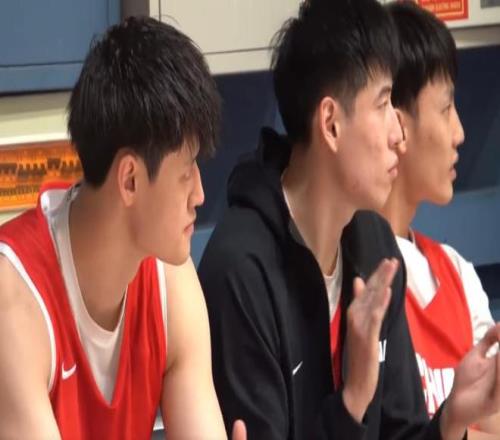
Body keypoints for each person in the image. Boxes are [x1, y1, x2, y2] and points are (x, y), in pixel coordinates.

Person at [198, 0, 500, 439]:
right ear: (331, 124)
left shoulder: (374, 244)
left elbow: (402, 433)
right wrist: (353, 400)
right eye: (383, 104)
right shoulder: (241, 273)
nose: (398, 135)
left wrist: (451, 418)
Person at [0, 16, 245, 440]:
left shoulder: (173, 283)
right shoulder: (15, 300)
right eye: (186, 171)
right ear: (130, 179)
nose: (200, 194)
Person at [380, 2, 500, 437]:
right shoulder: (348, 279)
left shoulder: (456, 273)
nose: (460, 132)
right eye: (446, 108)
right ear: (397, 125)